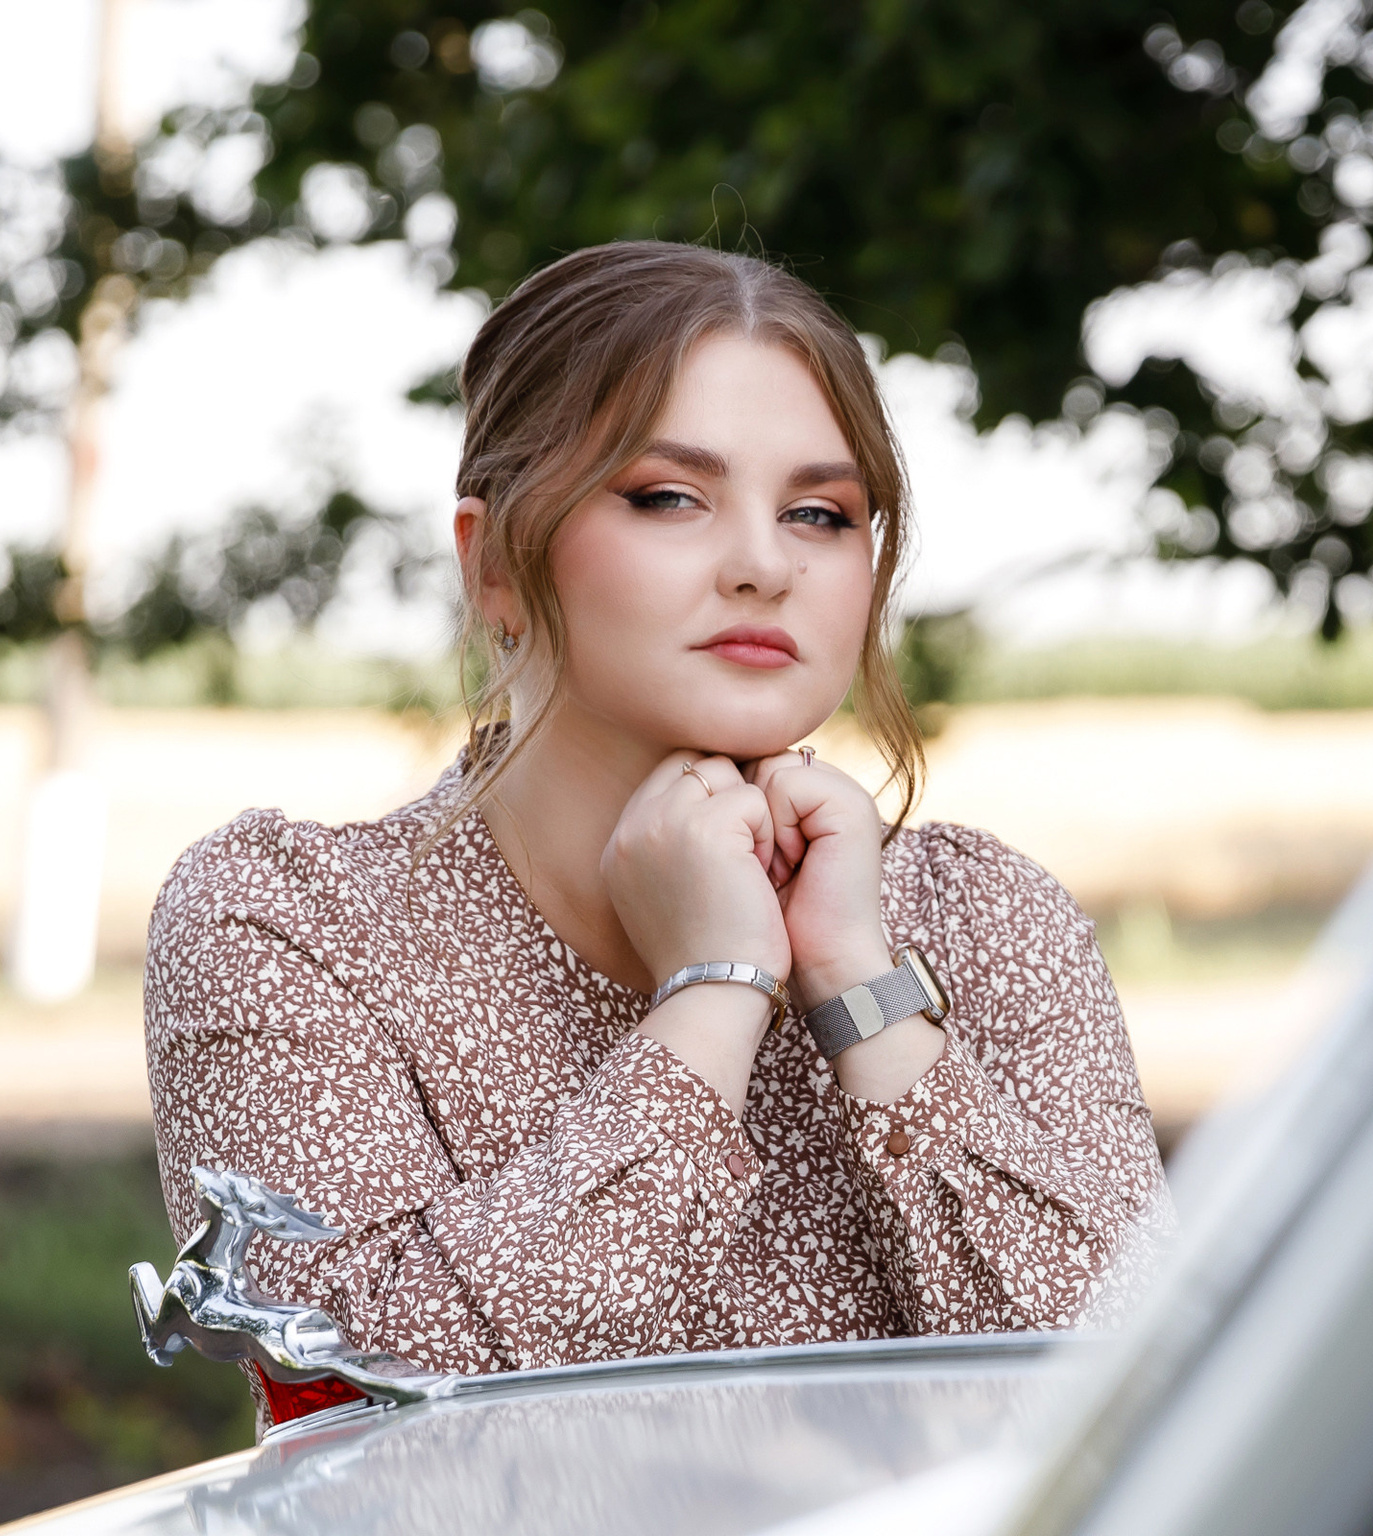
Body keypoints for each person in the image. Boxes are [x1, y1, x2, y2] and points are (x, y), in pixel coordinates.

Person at [145, 242, 1167, 1407]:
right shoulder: (292, 922)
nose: (763, 564)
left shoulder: (989, 917)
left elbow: (1146, 1400)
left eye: (821, 514)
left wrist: (857, 985)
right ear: (493, 566)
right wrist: (718, 990)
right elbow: (375, 1395)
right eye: (670, 497)